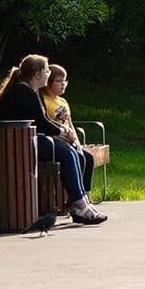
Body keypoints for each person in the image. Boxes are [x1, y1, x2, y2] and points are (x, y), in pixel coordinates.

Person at [0, 54, 106, 224]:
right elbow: (42, 123)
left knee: (73, 152)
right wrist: (63, 131)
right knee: (68, 154)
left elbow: (42, 121)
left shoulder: (31, 91)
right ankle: (79, 205)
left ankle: (80, 203)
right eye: (46, 70)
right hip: (16, 145)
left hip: (24, 141)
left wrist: (62, 132)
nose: (49, 73)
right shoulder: (23, 93)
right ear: (37, 74)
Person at [42, 63, 99, 201]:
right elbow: (46, 124)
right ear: (49, 82)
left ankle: (85, 194)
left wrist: (78, 143)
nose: (63, 84)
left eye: (65, 81)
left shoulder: (63, 101)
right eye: (59, 81)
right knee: (79, 158)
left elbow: (70, 124)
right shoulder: (44, 100)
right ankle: (75, 197)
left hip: (70, 140)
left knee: (88, 157)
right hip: (57, 141)